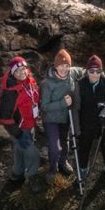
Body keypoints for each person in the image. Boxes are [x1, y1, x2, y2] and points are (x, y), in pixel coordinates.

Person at [72, 54, 105, 181]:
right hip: (86, 123)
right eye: (91, 71)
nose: (95, 74)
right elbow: (75, 109)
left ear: (101, 71)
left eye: (98, 71)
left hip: (104, 122)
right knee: (84, 147)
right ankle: (83, 170)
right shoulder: (79, 84)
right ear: (87, 71)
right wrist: (77, 130)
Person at [0, 55, 41, 184]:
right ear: (12, 73)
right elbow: (4, 117)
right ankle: (32, 177)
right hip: (20, 128)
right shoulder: (10, 93)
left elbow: (35, 98)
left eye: (23, 69)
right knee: (33, 154)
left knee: (19, 150)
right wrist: (18, 134)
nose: (21, 72)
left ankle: (17, 173)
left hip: (30, 124)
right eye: (17, 71)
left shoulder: (30, 81)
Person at [41, 49, 83, 178]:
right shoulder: (47, 83)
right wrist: (62, 103)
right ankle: (53, 168)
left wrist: (97, 72)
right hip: (51, 119)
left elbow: (84, 70)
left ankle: (63, 162)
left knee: (65, 142)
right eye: (61, 65)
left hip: (65, 117)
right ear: (55, 66)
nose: (64, 69)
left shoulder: (72, 74)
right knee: (55, 147)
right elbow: (44, 106)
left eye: (67, 66)